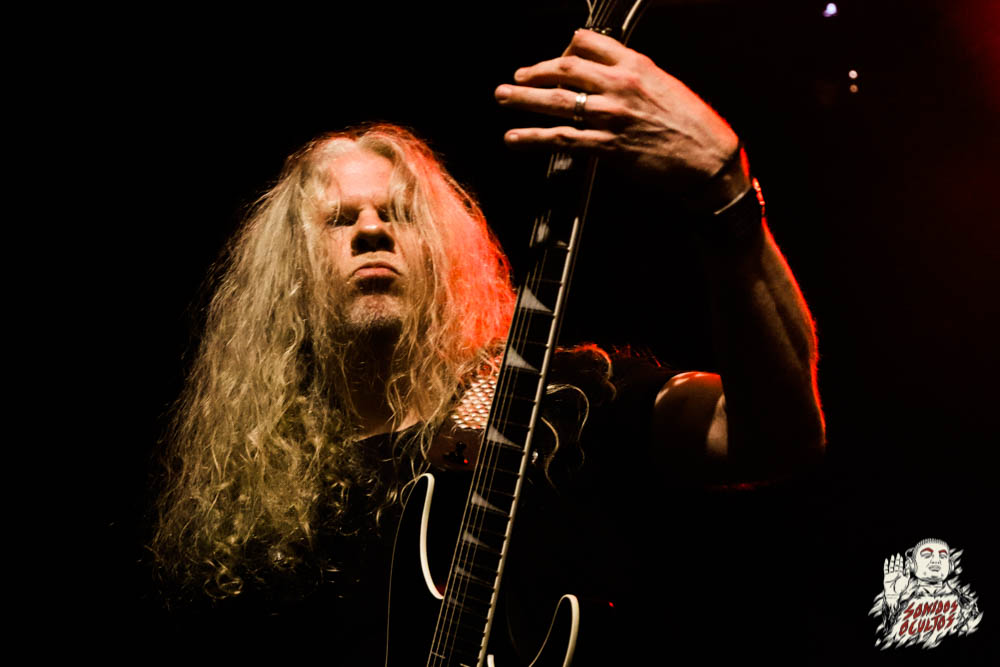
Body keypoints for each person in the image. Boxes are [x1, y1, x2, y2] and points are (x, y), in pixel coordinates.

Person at [150, 29, 824, 661]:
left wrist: (723, 190)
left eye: (398, 213)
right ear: (290, 274)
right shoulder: (263, 497)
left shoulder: (557, 403)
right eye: (338, 219)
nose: (371, 230)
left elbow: (775, 435)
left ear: (442, 251)